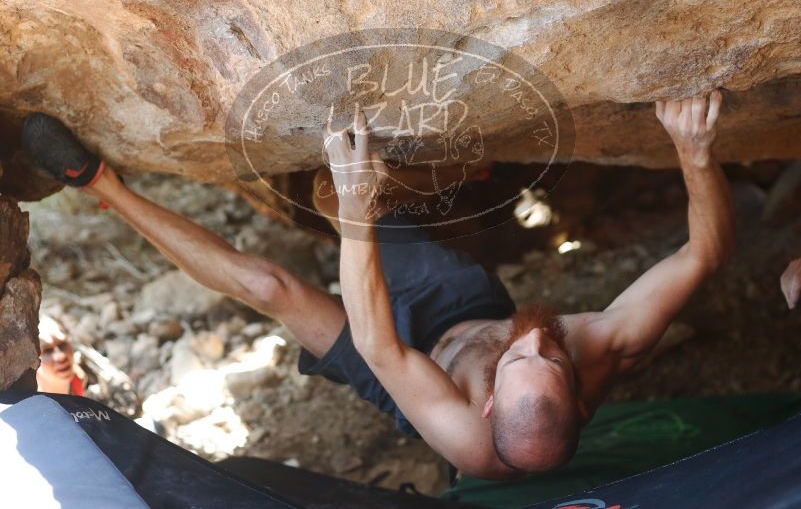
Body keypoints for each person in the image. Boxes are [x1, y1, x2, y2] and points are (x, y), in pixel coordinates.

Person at [21, 90, 732, 479]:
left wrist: (357, 214)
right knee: (357, 201)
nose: (541, 340)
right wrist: (693, 152)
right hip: (458, 309)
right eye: (545, 356)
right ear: (579, 398)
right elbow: (703, 255)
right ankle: (334, 198)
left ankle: (100, 184)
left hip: (396, 366)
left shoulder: (463, 437)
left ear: (483, 410)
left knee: (269, 285)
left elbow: (379, 345)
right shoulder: (600, 344)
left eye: (528, 356)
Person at [36, 315, 84, 396]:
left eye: (62, 344)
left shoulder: (77, 379)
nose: (61, 356)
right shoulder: (28, 403)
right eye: (47, 351)